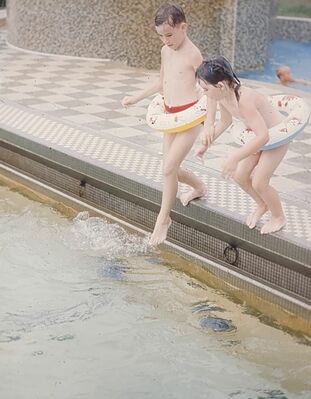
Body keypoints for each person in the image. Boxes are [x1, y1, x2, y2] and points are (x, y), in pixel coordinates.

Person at [122, 3, 207, 246]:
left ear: (184, 27)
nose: (166, 40)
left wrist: (210, 125)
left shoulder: (193, 55)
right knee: (169, 169)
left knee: (169, 168)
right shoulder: (165, 51)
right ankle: (199, 186)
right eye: (161, 36)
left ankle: (163, 220)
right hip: (170, 118)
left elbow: (207, 90)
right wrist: (135, 97)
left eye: (169, 35)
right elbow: (162, 83)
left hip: (190, 120)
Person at [196, 56, 288, 234]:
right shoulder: (223, 95)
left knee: (260, 181)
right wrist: (206, 145)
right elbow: (224, 121)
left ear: (220, 85)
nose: (204, 93)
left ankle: (279, 216)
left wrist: (234, 157)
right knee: (240, 176)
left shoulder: (244, 99)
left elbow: (264, 136)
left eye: (206, 89)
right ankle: (263, 204)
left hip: (276, 137)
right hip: (258, 135)